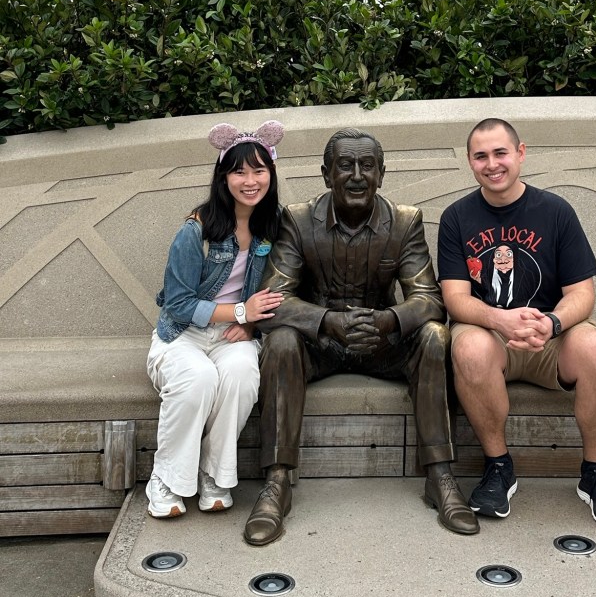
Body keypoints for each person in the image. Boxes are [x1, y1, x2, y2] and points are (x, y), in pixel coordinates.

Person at [243, 127, 478, 545]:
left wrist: (388, 320)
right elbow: (273, 300)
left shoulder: (404, 222)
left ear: (381, 174)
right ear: (326, 174)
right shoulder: (297, 220)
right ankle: (276, 482)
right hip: (320, 343)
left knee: (434, 336)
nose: (356, 175)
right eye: (345, 165)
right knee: (280, 340)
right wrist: (327, 321)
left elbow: (429, 299)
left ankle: (440, 475)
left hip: (380, 343)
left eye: (367, 166)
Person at [437, 117, 596, 527]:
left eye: (500, 153)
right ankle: (498, 467)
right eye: (481, 156)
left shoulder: (556, 212)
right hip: (492, 336)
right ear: (470, 162)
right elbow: (455, 299)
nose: (492, 164)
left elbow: (582, 294)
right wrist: (499, 319)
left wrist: (552, 323)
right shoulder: (456, 217)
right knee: (468, 346)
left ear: (521, 153)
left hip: (551, 338)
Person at [145, 121, 285, 518]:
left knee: (241, 375)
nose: (250, 181)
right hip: (183, 335)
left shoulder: (275, 225)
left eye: (259, 170)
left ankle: (214, 474)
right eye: (239, 172)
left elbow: (282, 287)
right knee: (199, 378)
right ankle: (166, 479)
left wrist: (252, 325)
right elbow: (178, 303)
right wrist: (241, 311)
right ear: (223, 177)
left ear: (271, 174)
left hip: (234, 336)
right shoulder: (197, 230)